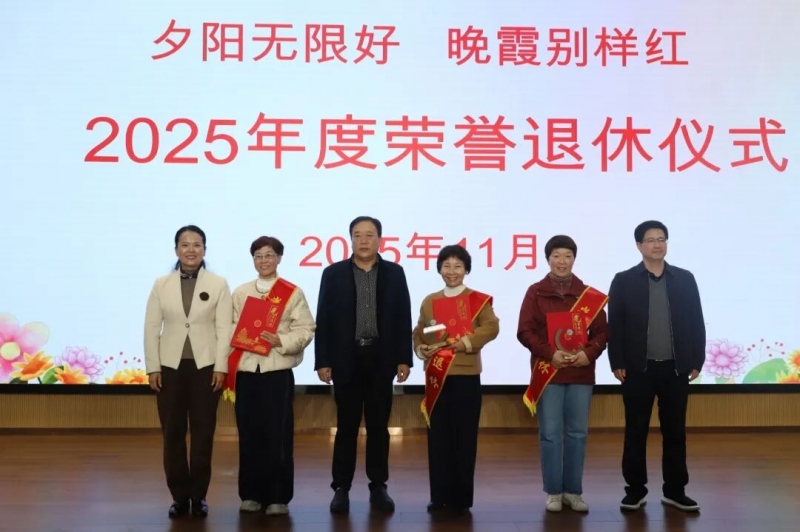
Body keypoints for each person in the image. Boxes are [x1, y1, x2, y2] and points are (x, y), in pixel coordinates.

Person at [314, 216, 413, 514]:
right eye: (358, 235)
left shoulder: (395, 273)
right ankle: (341, 488)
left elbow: (403, 316)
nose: (364, 240)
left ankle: (378, 486)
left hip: (381, 359)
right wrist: (323, 361)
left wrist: (404, 358)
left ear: (380, 239)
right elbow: (324, 319)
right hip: (346, 359)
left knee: (378, 427)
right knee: (346, 427)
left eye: (369, 235)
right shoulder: (333, 274)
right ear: (350, 239)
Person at [608, 220, 705, 512]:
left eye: (661, 239)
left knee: (675, 432)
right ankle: (635, 491)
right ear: (639, 245)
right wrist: (617, 361)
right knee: (635, 431)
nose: (657, 244)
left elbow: (696, 320)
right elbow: (616, 324)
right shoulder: (624, 280)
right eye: (650, 240)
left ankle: (675, 490)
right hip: (638, 369)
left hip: (676, 369)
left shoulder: (684, 279)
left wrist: (697, 359)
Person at [144, 225, 233, 519]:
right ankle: (179, 496)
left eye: (197, 244)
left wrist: (221, 366)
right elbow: (151, 328)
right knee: (172, 433)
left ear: (205, 250)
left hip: (206, 367)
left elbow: (224, 328)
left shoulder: (218, 284)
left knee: (203, 433)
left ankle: (199, 495)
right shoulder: (161, 284)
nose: (191, 250)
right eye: (185, 244)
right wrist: (153, 367)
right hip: (169, 368)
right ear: (176, 250)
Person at [517, 235, 609, 513]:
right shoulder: (535, 292)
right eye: (556, 255)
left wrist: (588, 353)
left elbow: (602, 333)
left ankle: (573, 491)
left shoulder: (588, 295)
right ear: (548, 259)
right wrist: (549, 353)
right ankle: (554, 491)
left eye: (567, 256)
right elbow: (525, 331)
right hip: (549, 372)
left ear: (574, 259)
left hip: (581, 373)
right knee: (550, 434)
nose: (562, 261)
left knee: (577, 433)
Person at [226, 236, 316, 516]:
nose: (263, 260)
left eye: (269, 255)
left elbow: (306, 329)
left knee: (278, 435)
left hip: (276, 372)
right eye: (258, 256)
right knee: (249, 433)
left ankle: (278, 496)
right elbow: (228, 326)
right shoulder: (240, 292)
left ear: (279, 258)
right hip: (247, 372)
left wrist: (281, 340)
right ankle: (250, 494)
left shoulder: (293, 292)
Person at [412, 245, 499, 513]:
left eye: (458, 266)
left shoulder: (477, 300)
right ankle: (439, 496)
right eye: (446, 266)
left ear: (466, 270)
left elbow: (492, 327)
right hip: (437, 377)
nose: (452, 271)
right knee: (438, 438)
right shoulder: (430, 300)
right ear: (439, 268)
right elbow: (420, 331)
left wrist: (467, 342)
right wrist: (421, 347)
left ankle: (461, 499)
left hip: (466, 375)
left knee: (464, 438)